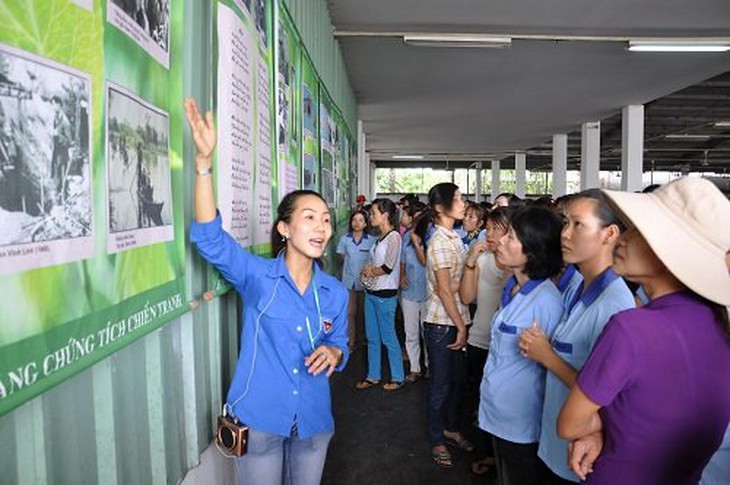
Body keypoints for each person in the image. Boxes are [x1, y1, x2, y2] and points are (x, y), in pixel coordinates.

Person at [184, 98, 349, 485]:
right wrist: (203, 165)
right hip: (259, 420)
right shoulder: (258, 277)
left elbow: (340, 344)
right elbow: (210, 240)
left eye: (325, 220)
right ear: (285, 229)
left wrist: (335, 351)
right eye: (309, 218)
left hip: (313, 421)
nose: (321, 227)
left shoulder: (335, 292)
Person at [557, 177, 730, 484]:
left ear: (669, 252)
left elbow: (569, 425)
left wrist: (599, 430)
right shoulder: (718, 324)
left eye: (638, 231)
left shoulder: (631, 327)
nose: (622, 239)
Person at [518, 189, 635, 482]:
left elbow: (609, 396)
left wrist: (547, 356)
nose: (564, 234)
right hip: (556, 444)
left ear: (609, 234)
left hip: (578, 457)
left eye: (577, 224)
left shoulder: (614, 305)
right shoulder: (580, 286)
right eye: (565, 222)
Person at [479, 205, 565, 485]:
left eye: (511, 237)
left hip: (521, 422)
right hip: (498, 412)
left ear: (533, 250)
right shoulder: (513, 287)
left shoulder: (546, 302)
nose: (500, 241)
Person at [416, 182, 472, 469]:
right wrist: (461, 326)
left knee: (457, 383)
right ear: (440, 208)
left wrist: (453, 285)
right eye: (459, 199)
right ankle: (437, 437)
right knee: (440, 385)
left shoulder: (454, 237)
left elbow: (453, 285)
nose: (464, 203)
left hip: (457, 317)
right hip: (442, 324)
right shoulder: (439, 241)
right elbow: (444, 291)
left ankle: (450, 427)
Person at [459, 206, 512, 476]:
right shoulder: (482, 258)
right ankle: (486, 451)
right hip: (480, 338)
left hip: (509, 346)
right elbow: (467, 298)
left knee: (506, 404)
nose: (488, 234)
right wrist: (470, 261)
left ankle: (501, 456)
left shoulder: (521, 263)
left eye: (495, 229)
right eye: (487, 228)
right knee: (482, 400)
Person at [356, 198, 404, 391]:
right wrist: (368, 271)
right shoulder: (379, 239)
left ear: (385, 215)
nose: (371, 216)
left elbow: (388, 267)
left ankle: (398, 377)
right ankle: (373, 376)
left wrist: (370, 271)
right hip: (372, 292)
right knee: (373, 338)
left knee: (388, 337)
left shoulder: (394, 237)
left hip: (385, 295)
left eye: (374, 213)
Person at [336, 210, 375, 352]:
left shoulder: (372, 240)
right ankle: (350, 342)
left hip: (366, 283)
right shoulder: (344, 239)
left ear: (365, 224)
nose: (357, 223)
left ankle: (362, 338)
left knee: (363, 313)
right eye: (354, 220)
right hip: (349, 282)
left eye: (360, 220)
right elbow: (341, 257)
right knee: (350, 313)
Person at [400, 201, 427, 382]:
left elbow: (425, 262)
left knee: (428, 333)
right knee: (411, 333)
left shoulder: (430, 238)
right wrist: (401, 276)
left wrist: (418, 244)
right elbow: (402, 260)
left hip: (428, 293)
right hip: (409, 292)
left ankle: (430, 366)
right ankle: (415, 368)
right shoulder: (406, 237)